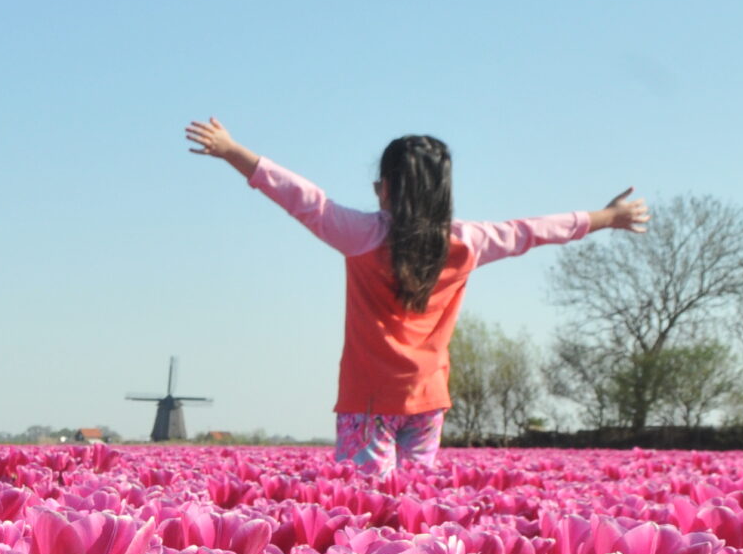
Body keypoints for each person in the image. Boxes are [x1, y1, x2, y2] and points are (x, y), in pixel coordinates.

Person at [185, 120, 649, 477]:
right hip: (428, 399)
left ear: (385, 188)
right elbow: (533, 231)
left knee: (365, 511)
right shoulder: (468, 242)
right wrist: (607, 217)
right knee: (415, 508)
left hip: (367, 400)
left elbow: (304, 200)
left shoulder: (362, 234)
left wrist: (233, 152)